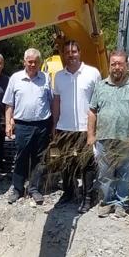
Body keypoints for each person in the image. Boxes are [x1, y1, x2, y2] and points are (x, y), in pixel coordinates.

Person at [86, 50, 129, 217]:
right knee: (105, 174)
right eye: (113, 64)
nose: (116, 67)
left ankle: (121, 203)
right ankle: (106, 202)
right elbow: (92, 111)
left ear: (126, 65)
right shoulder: (101, 85)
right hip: (104, 137)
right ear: (109, 66)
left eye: (120, 64)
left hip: (127, 139)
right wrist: (90, 135)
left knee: (124, 173)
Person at [51, 39, 102, 211]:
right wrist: (55, 124)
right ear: (63, 55)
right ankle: (69, 193)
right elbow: (57, 101)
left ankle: (87, 197)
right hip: (64, 127)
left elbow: (98, 101)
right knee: (66, 162)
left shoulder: (93, 73)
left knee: (87, 163)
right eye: (67, 52)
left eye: (74, 52)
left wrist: (94, 129)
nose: (71, 55)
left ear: (79, 53)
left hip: (85, 127)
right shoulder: (58, 76)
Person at [3, 48, 52, 205]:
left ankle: (34, 188)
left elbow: (51, 101)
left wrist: (53, 124)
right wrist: (8, 123)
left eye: (35, 62)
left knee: (39, 158)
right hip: (22, 124)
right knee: (21, 157)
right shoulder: (16, 78)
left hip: (42, 124)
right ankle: (17, 189)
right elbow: (9, 103)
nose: (32, 64)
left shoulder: (46, 78)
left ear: (40, 63)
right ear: (24, 62)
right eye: (29, 61)